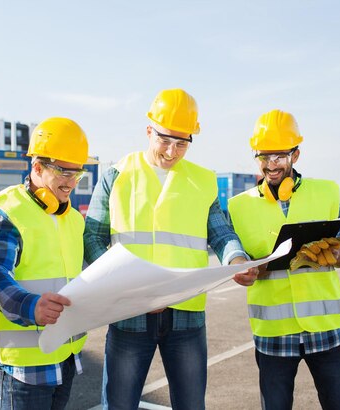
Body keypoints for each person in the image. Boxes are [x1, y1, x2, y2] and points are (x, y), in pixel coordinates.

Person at [83, 88, 257, 410]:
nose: (172, 151)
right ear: (149, 130)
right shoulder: (117, 176)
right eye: (165, 140)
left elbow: (220, 233)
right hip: (130, 312)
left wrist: (236, 258)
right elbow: (91, 238)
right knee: (119, 405)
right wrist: (129, 287)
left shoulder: (203, 181)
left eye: (182, 143)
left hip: (186, 315)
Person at [227, 109, 340, 409]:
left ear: (295, 155)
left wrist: (333, 254)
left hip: (327, 331)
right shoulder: (239, 207)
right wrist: (243, 270)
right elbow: (235, 259)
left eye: (279, 157)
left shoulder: (326, 193)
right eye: (263, 157)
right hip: (274, 336)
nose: (270, 166)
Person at [0, 117, 95, 410]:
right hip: (20, 367)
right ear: (37, 167)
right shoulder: (5, 211)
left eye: (76, 173)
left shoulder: (72, 219)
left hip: (64, 356)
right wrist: (31, 306)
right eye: (63, 172)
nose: (70, 182)